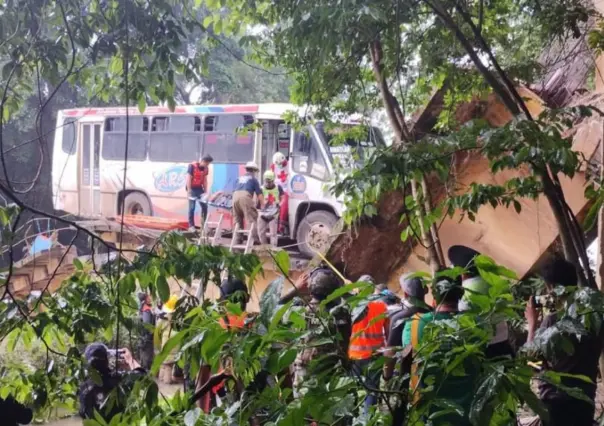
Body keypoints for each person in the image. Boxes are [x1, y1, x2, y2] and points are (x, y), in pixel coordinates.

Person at [525, 257, 602, 426]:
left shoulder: (553, 323)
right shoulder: (595, 317)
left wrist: (532, 325)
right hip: (585, 398)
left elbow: (531, 363)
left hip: (556, 403)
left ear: (551, 288)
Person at [402, 274, 475, 425]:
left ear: (433, 296)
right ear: (461, 292)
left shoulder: (414, 324)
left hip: (430, 412)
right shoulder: (476, 323)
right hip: (470, 410)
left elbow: (406, 364)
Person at [293, 268, 351, 400]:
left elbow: (277, 306)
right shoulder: (340, 312)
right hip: (330, 367)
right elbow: (345, 340)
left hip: (304, 366)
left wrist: (295, 289)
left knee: (303, 409)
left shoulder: (301, 311)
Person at [448, 245, 514, 359]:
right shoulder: (493, 282)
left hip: (486, 349)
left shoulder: (466, 291)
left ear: (461, 271)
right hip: (504, 342)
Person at [348, 274, 390, 416]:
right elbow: (388, 333)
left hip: (354, 356)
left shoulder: (351, 306)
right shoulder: (382, 306)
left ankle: (349, 418)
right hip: (375, 355)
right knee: (372, 390)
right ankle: (368, 419)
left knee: (351, 389)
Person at [78, 343, 145, 421]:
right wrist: (130, 360)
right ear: (106, 361)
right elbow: (143, 376)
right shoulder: (118, 379)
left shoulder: (83, 387)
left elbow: (83, 413)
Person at [383, 273, 430, 381]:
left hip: (409, 377)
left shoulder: (398, 319)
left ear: (405, 294)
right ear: (426, 290)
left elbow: (391, 352)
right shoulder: (434, 313)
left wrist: (386, 377)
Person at [232, 162, 263, 244]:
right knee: (251, 218)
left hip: (235, 196)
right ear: (253, 170)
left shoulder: (238, 178)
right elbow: (259, 194)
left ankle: (238, 239)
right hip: (245, 196)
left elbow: (233, 191)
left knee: (237, 219)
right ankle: (255, 240)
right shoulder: (253, 179)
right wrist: (263, 206)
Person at [155, 294, 179, 384]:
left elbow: (158, 330)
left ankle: (161, 378)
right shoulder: (176, 318)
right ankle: (167, 381)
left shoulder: (162, 318)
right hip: (173, 342)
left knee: (163, 363)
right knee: (169, 365)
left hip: (164, 341)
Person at [187, 154, 214, 231]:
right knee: (192, 208)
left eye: (208, 163)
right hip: (192, 188)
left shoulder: (206, 169)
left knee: (204, 206)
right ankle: (191, 226)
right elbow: (188, 178)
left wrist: (205, 192)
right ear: (202, 161)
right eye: (206, 163)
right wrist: (189, 190)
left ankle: (203, 225)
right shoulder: (192, 166)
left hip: (199, 188)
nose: (207, 165)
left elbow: (205, 180)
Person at [257, 170, 283, 246]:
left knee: (273, 234)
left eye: (270, 182)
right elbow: (257, 202)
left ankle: (273, 250)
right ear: (264, 180)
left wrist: (280, 204)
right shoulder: (261, 189)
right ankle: (265, 248)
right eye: (266, 181)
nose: (268, 183)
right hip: (262, 214)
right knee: (261, 232)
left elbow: (283, 197)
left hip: (273, 214)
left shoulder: (278, 187)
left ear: (273, 181)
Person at [270, 152, 289, 234]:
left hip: (286, 189)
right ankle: (271, 224)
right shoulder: (273, 166)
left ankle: (281, 225)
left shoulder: (290, 165)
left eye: (281, 163)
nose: (279, 165)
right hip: (276, 189)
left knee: (284, 204)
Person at [137, 292, 155, 370]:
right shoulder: (146, 310)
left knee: (144, 356)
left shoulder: (142, 308)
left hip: (143, 337)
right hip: (147, 338)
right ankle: (146, 372)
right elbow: (147, 324)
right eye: (148, 297)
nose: (150, 299)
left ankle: (144, 370)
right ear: (145, 299)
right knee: (147, 357)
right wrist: (151, 333)